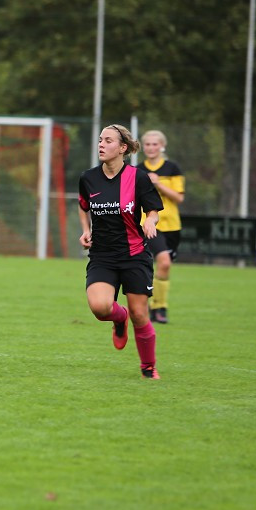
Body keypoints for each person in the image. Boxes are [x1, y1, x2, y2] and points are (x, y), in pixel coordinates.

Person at [79, 124, 165, 380]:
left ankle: (148, 367)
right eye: (100, 140)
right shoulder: (88, 178)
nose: (101, 145)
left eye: (108, 141)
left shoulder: (137, 177)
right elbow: (83, 206)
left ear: (123, 148)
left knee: (141, 315)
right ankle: (120, 318)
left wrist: (150, 221)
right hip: (102, 255)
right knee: (99, 307)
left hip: (134, 254)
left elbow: (153, 210)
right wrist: (85, 230)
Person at [138, 130, 185, 323]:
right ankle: (159, 309)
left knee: (164, 267)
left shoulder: (172, 168)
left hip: (172, 226)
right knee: (162, 262)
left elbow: (178, 197)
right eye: (147, 144)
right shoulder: (139, 169)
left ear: (162, 146)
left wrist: (158, 184)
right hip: (149, 224)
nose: (151, 148)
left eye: (154, 144)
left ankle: (157, 307)